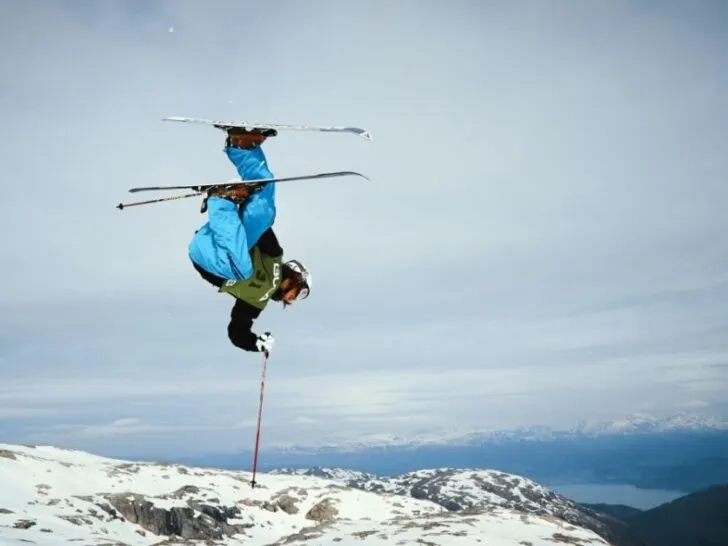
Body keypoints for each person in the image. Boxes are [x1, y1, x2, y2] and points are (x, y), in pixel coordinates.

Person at [188, 127, 312, 356]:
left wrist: (256, 344)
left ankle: (221, 201)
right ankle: (242, 147)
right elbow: (259, 224)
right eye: (301, 293)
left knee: (242, 268)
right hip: (222, 236)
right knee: (264, 213)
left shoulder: (257, 302)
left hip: (207, 258)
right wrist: (251, 197)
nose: (294, 300)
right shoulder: (274, 257)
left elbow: (237, 332)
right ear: (297, 278)